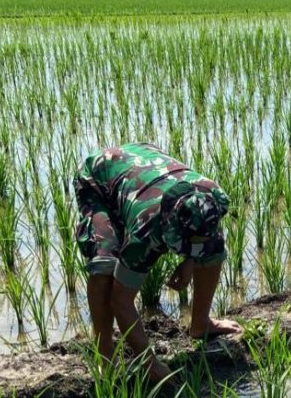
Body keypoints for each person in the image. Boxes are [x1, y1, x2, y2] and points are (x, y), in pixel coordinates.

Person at [73, 143, 243, 385]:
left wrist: (190, 260)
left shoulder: (211, 198)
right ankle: (105, 356)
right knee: (105, 265)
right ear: (169, 226)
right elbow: (121, 301)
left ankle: (201, 324)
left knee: (213, 248)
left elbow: (201, 238)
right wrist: (149, 361)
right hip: (99, 179)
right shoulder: (146, 228)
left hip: (145, 166)